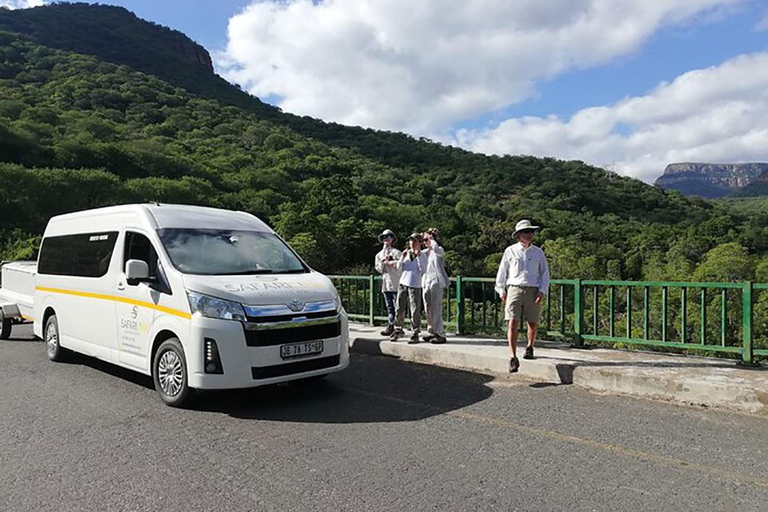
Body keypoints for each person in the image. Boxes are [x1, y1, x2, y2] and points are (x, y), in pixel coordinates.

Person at [495, 219, 550, 373]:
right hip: (514, 288)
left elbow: (544, 273)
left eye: (531, 231)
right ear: (519, 235)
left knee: (532, 321)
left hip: (532, 289)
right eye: (527, 232)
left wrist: (542, 290)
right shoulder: (510, 251)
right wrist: (501, 289)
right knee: (512, 321)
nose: (530, 234)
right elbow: (503, 271)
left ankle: (530, 346)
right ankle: (513, 357)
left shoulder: (538, 252)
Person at [391, 233, 427, 344]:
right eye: (411, 241)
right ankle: (398, 328)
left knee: (415, 309)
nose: (412, 243)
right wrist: (402, 257)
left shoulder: (423, 256)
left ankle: (415, 332)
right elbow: (399, 267)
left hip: (415, 284)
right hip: (403, 282)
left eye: (415, 241)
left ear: (419, 243)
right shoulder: (405, 253)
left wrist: (419, 257)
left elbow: (423, 270)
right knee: (399, 307)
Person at [421, 228, 449, 344]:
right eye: (424, 240)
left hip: (436, 280)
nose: (425, 241)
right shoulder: (424, 253)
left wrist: (431, 238)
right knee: (428, 307)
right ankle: (431, 331)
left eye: (426, 239)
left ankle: (440, 333)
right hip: (426, 280)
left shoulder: (439, 250)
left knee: (436, 308)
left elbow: (437, 250)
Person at [374, 229, 402, 336]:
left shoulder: (396, 252)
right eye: (385, 237)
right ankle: (390, 325)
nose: (386, 239)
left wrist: (391, 262)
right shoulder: (379, 255)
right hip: (385, 283)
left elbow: (401, 266)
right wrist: (383, 261)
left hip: (395, 282)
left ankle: (398, 326)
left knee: (397, 306)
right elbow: (379, 269)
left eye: (389, 237)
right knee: (389, 306)